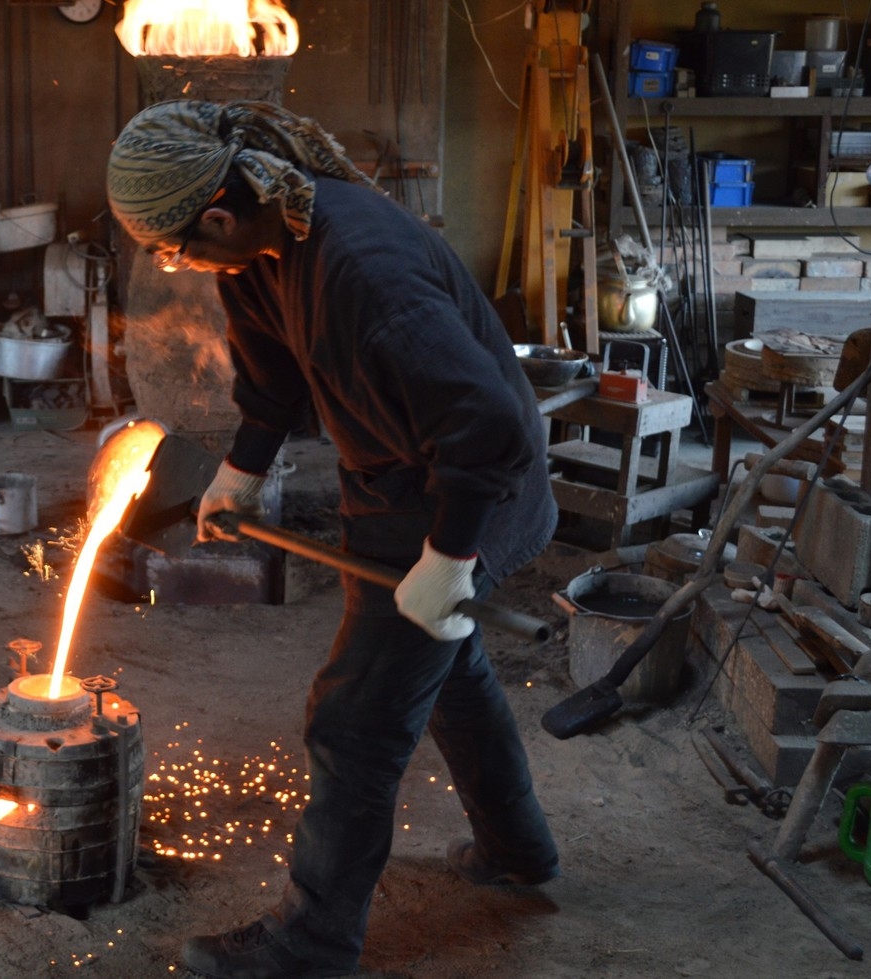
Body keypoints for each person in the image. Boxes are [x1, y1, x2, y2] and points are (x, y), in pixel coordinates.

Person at [108, 100, 561, 979]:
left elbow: (491, 428)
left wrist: (450, 557)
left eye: (176, 248)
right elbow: (274, 373)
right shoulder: (260, 242)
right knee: (450, 672)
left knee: (354, 721)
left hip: (468, 491)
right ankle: (519, 851)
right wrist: (239, 469)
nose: (178, 264)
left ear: (216, 213)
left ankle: (309, 945)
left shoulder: (363, 271)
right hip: (393, 481)